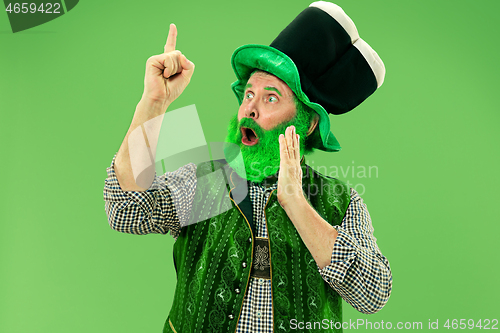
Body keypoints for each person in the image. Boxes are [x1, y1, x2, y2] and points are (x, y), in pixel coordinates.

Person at [103, 2, 392, 332]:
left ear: (307, 124)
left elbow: (373, 293)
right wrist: (155, 102)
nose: (249, 110)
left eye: (270, 98)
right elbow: (126, 210)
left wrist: (296, 204)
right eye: (248, 94)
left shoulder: (339, 201)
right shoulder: (204, 183)